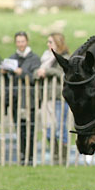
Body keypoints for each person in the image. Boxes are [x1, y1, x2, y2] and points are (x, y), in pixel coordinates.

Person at [0, 32, 40, 164]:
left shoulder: (34, 58)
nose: (20, 44)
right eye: (18, 42)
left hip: (29, 101)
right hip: (16, 99)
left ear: (27, 41)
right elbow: (8, 78)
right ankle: (22, 155)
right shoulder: (12, 58)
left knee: (30, 128)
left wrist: (21, 72)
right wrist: (5, 72)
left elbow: (35, 77)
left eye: (22, 41)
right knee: (19, 128)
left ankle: (31, 156)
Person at [34, 33, 70, 162]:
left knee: (60, 128)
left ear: (58, 43)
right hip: (47, 97)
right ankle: (55, 154)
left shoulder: (65, 58)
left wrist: (47, 71)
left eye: (51, 42)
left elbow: (64, 74)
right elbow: (37, 71)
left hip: (59, 98)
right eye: (47, 42)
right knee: (48, 129)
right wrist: (38, 73)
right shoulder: (46, 58)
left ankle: (63, 156)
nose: (48, 44)